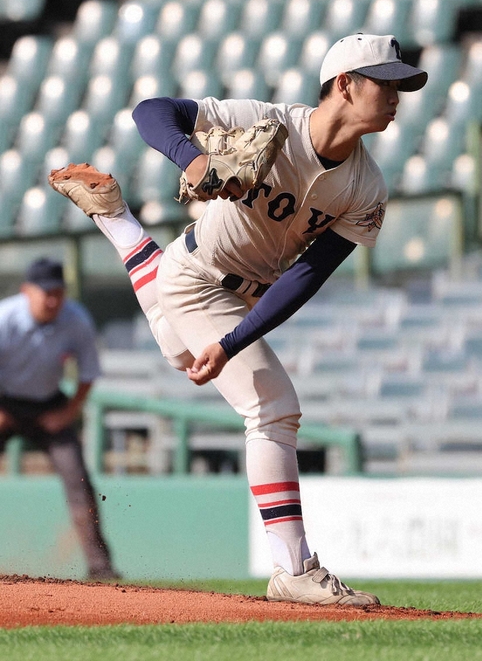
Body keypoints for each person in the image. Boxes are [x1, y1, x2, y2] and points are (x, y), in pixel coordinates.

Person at [49, 34, 427, 605]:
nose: (397, 94)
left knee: (182, 356)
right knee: (274, 407)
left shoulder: (367, 187)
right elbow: (151, 113)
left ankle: (117, 220)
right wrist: (194, 156)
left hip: (231, 291)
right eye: (386, 81)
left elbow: (307, 276)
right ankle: (293, 569)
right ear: (345, 84)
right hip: (199, 280)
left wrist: (233, 341)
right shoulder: (270, 123)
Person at [0, 257, 118, 580]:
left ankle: (101, 568)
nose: (53, 300)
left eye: (58, 292)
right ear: (27, 291)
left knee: (78, 479)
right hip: (5, 403)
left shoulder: (76, 319)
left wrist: (68, 412)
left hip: (51, 405)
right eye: (45, 292)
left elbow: (89, 372)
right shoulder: (5, 318)